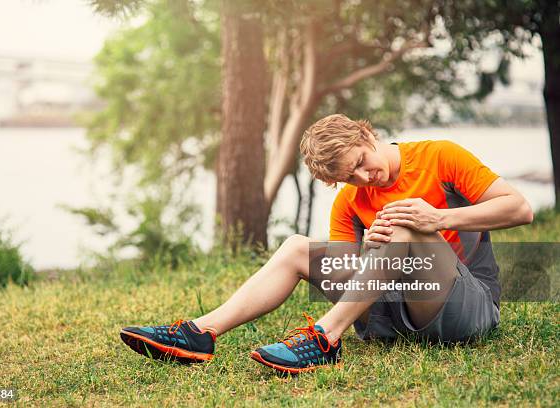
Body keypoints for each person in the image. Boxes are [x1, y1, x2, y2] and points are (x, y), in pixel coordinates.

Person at [119, 114, 533, 374]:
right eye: (348, 177)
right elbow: (355, 279)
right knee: (298, 246)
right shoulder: (350, 202)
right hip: (394, 319)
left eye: (360, 164)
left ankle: (322, 340)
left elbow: (520, 209)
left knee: (406, 225)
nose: (363, 180)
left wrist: (438, 219)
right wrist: (373, 251)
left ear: (366, 134)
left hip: (467, 308)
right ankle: (201, 333)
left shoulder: (440, 156)